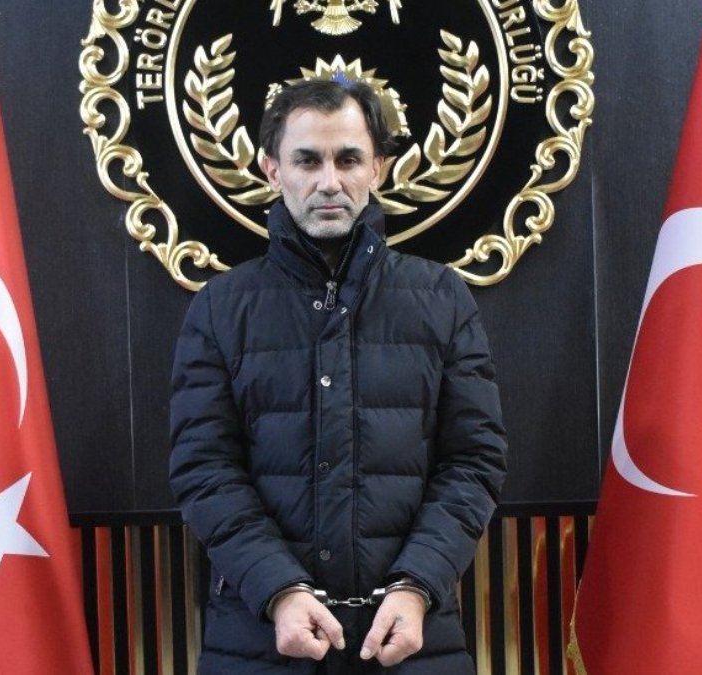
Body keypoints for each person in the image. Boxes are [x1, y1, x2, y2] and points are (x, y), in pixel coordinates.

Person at [169, 78, 507, 674]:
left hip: (411, 639)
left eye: (348, 159)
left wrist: (418, 583)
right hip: (258, 638)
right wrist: (277, 589)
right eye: (307, 160)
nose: (329, 181)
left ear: (378, 167)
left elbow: (474, 461)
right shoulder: (220, 308)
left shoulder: (441, 298)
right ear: (272, 169)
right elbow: (204, 469)